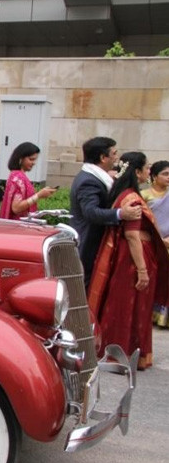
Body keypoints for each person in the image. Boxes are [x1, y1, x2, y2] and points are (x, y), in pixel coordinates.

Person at [88, 152, 167, 371]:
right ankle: (123, 353)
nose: (148, 171)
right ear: (138, 171)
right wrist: (142, 270)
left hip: (128, 258)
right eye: (146, 168)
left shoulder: (124, 194)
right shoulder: (132, 198)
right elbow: (133, 236)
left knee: (125, 305)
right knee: (129, 305)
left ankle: (124, 352)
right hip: (132, 260)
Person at [70, 136, 142, 286]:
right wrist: (121, 214)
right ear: (103, 157)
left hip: (93, 243)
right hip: (88, 243)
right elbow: (91, 212)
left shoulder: (95, 177)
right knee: (83, 289)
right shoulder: (89, 181)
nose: (117, 158)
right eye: (114, 153)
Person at [0, 142, 58, 220]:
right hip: (18, 227)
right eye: (31, 159)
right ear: (21, 159)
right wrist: (38, 195)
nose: (34, 163)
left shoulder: (17, 176)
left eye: (34, 160)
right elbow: (16, 208)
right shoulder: (18, 178)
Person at [142, 160, 169, 326]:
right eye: (165, 174)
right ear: (153, 176)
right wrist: (159, 239)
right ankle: (150, 314)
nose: (168, 177)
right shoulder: (144, 195)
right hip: (152, 243)